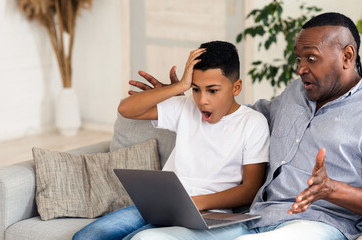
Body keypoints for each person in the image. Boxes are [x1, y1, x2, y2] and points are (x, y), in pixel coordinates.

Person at [126, 12, 362, 240]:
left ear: (347, 56)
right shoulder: (297, 91)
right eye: (299, 58)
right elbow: (244, 115)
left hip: (320, 223)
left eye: (312, 58)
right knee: (148, 237)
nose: (301, 68)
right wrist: (190, 94)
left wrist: (332, 189)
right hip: (257, 219)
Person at [72, 41, 270, 240]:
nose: (202, 100)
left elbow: (250, 190)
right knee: (85, 237)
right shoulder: (185, 107)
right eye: (195, 89)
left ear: (236, 87)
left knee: (137, 238)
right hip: (159, 204)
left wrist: (194, 202)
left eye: (212, 90)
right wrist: (179, 87)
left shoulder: (253, 123)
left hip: (206, 212)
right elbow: (126, 109)